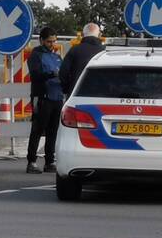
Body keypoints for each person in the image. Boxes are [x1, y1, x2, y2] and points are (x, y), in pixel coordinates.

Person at [25, 28, 63, 174]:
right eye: (49, 41)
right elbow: (35, 76)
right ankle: (31, 162)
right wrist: (51, 74)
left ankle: (49, 161)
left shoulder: (57, 57)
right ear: (41, 40)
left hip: (57, 97)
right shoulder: (36, 55)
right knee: (37, 130)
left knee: (53, 131)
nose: (51, 44)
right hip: (42, 97)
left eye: (54, 41)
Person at [59, 22, 106, 98]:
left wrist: (67, 89)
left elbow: (63, 73)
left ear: (83, 35)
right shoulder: (105, 52)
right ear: (99, 35)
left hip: (75, 95)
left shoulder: (74, 50)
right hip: (100, 96)